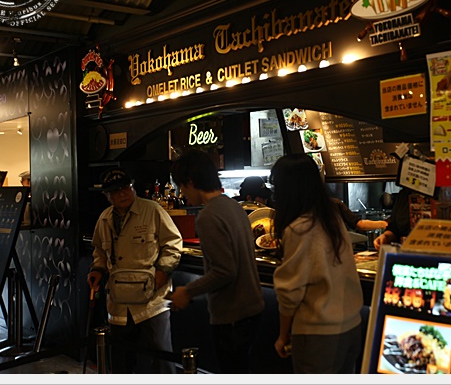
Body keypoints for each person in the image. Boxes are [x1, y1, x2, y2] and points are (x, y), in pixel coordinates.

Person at [167, 149, 264, 374]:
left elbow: (224, 271)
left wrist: (187, 292)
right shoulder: (234, 206)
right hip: (252, 309)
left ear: (191, 182)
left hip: (232, 316)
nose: (182, 193)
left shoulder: (209, 215)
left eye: (181, 186)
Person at [270, 154, 363, 374]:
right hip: (351, 328)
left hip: (319, 335)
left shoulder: (299, 229)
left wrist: (283, 335)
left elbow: (290, 292)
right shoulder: (332, 220)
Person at [87, 168, 182, 374]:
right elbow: (99, 251)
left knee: (160, 358)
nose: (122, 194)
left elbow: (173, 244)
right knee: (121, 359)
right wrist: (98, 270)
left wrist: (162, 272)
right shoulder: (104, 219)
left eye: (125, 188)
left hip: (152, 301)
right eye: (115, 191)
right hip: (119, 301)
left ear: (132, 187)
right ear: (107, 196)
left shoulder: (152, 210)